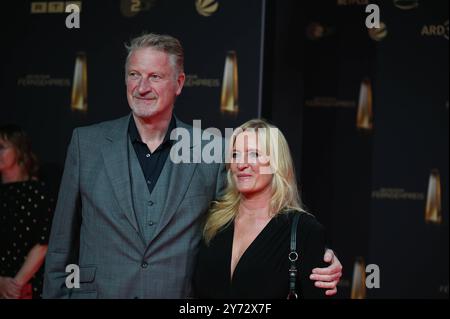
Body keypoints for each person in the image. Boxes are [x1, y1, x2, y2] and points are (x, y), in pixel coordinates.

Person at [43, 33, 341, 299]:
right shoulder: (87, 144)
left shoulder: (208, 150)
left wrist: (315, 255)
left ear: (180, 83)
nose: (142, 87)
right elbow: (60, 243)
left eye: (155, 77)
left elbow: (252, 214)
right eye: (134, 74)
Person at [194, 119, 333, 298]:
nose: (241, 164)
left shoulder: (304, 231)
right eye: (236, 154)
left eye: (253, 154)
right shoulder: (213, 221)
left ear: (276, 163)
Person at [0, 124, 55, 299]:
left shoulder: (39, 192)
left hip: (30, 286)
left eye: (1, 147)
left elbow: (43, 243)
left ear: (19, 150)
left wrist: (16, 285)